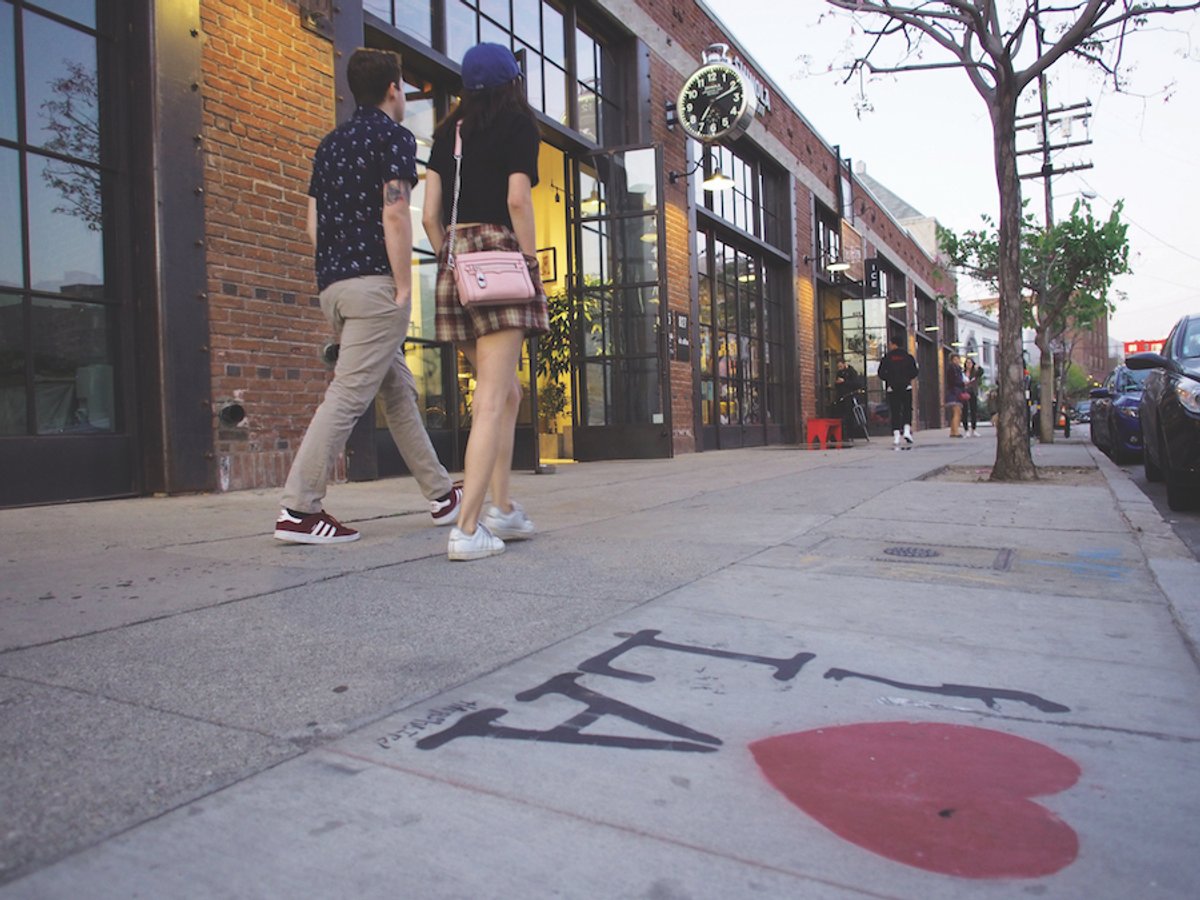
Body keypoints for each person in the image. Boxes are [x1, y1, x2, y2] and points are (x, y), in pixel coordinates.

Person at [274, 48, 461, 545]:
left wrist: (340, 271)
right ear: (394, 89)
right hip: (376, 287)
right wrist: (403, 284)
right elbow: (395, 212)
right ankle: (298, 509)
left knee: (397, 392)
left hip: (335, 288)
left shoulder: (329, 145)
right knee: (348, 395)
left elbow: (312, 224)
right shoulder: (393, 137)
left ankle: (442, 494)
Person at [423, 43, 549, 561]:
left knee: (507, 392)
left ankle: (502, 508)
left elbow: (429, 215)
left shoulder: (446, 133)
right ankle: (468, 528)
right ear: (512, 82)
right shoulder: (518, 125)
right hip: (498, 259)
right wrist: (529, 261)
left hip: (456, 262)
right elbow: (517, 199)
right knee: (492, 399)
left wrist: (453, 259)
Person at [877, 336, 919, 448]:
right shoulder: (908, 357)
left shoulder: (887, 357)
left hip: (892, 388)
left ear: (893, 344)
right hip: (906, 387)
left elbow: (881, 373)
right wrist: (906, 378)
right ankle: (906, 430)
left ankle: (896, 435)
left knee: (895, 410)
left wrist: (889, 379)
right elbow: (915, 372)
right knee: (907, 409)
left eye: (890, 343)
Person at [834, 357, 862, 439]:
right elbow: (837, 385)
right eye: (838, 367)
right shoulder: (839, 373)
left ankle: (850, 435)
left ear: (844, 364)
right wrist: (837, 383)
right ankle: (841, 434)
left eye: (840, 366)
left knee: (849, 416)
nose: (839, 368)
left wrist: (844, 381)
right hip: (841, 397)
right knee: (840, 416)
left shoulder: (852, 372)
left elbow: (857, 384)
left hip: (849, 396)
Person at [945, 353, 966, 438]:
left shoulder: (957, 369)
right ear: (952, 360)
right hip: (954, 392)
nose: (957, 361)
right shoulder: (953, 369)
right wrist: (962, 384)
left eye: (958, 359)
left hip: (955, 391)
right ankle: (955, 432)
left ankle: (953, 431)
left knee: (956, 412)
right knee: (957, 412)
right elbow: (952, 381)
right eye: (955, 359)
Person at [962, 357, 982, 436]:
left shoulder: (975, 372)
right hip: (965, 392)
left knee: (973, 411)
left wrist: (978, 366)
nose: (969, 364)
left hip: (973, 392)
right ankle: (966, 430)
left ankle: (974, 429)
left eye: (970, 363)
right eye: (967, 363)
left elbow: (981, 372)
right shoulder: (963, 372)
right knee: (965, 411)